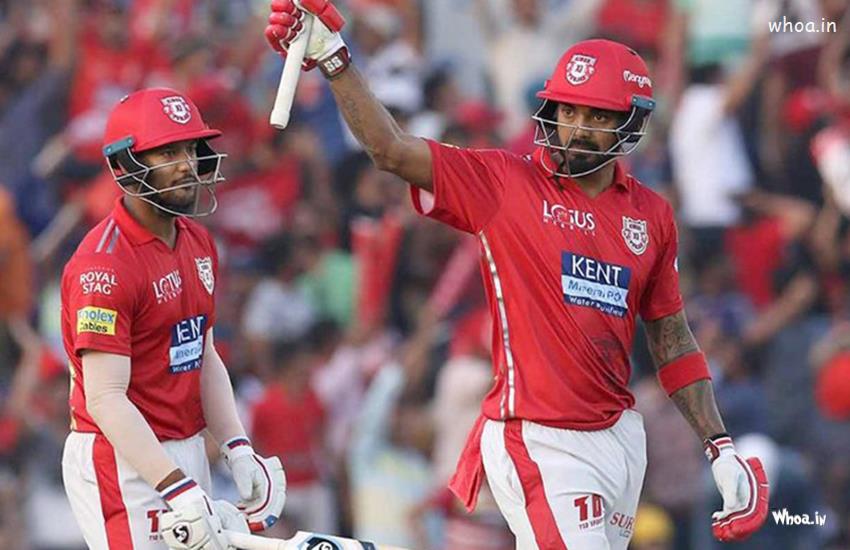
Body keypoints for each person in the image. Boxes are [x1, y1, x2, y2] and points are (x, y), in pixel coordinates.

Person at [264, 3, 770, 548]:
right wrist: (335, 58)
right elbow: (390, 149)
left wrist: (720, 447)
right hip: (537, 437)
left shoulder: (652, 214)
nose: (577, 129)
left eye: (598, 117)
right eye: (568, 110)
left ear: (633, 123)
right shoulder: (506, 181)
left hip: (620, 439)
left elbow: (672, 339)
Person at [60, 87, 286, 550]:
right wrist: (174, 484)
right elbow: (105, 398)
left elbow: (202, 353)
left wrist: (236, 446)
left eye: (190, 148)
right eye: (167, 152)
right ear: (126, 165)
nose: (187, 164)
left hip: (184, 450)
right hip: (122, 459)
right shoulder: (104, 267)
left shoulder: (198, 241)